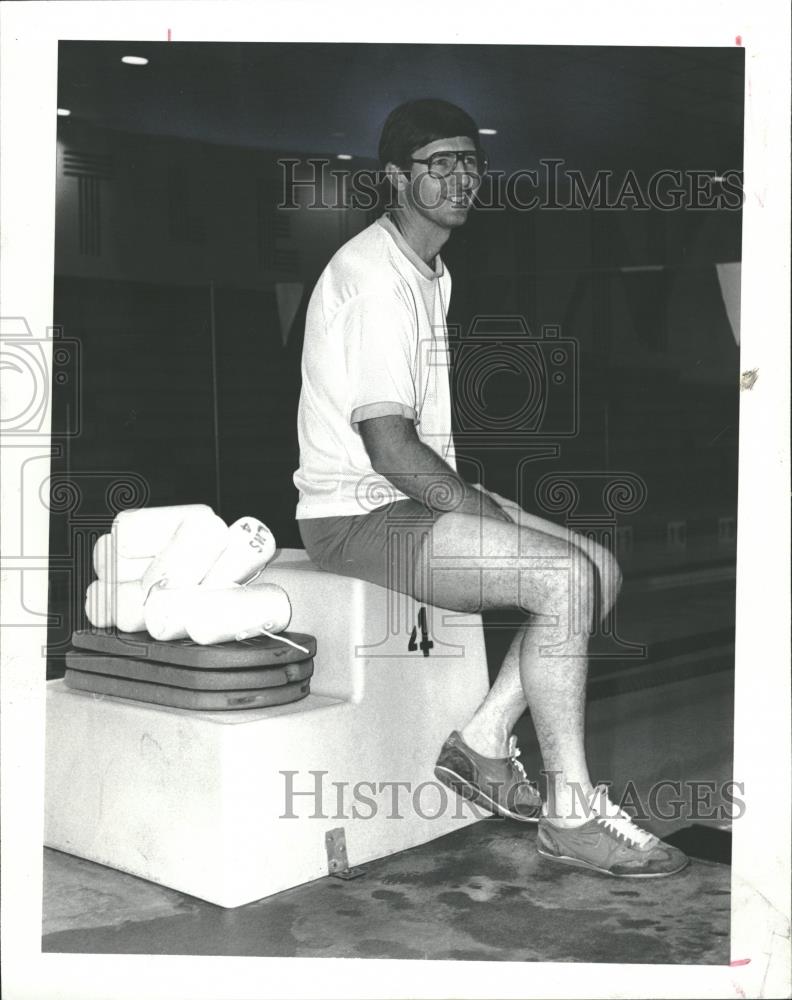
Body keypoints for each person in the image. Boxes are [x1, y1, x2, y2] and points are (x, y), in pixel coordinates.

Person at [293, 98, 687, 878]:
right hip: (354, 514)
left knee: (598, 569)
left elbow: (412, 450)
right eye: (439, 163)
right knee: (564, 581)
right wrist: (476, 505)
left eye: (469, 161)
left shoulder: (428, 268)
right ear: (396, 179)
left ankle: (479, 743)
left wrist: (478, 502)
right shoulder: (375, 279)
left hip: (401, 500)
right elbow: (387, 447)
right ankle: (570, 818)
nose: (460, 177)